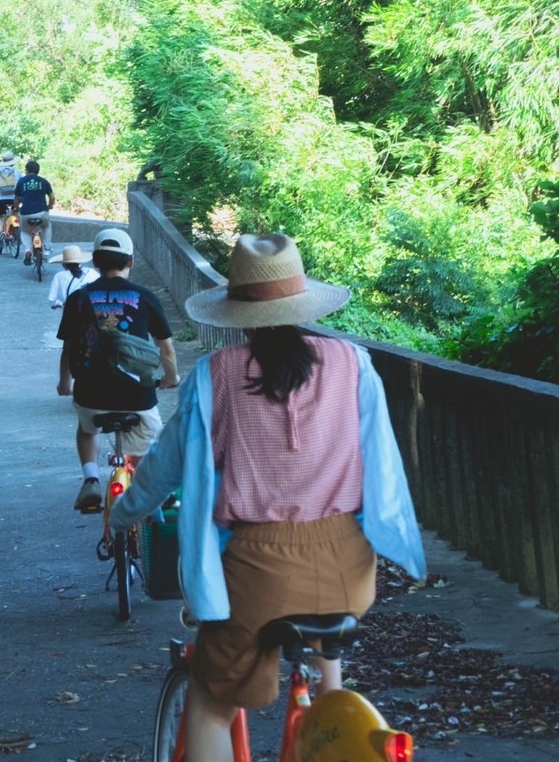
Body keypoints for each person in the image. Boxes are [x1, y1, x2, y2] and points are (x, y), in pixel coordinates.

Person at [111, 233, 425, 762]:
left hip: (260, 570)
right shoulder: (353, 363)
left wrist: (123, 514)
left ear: (237, 310)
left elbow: (165, 465)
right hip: (350, 565)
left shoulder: (217, 376)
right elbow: (381, 456)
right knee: (327, 660)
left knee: (213, 699)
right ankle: (333, 718)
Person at [56, 228, 180, 512]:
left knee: (87, 428)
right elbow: (167, 349)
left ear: (95, 262)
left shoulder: (79, 297)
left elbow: (68, 349)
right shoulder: (145, 297)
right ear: (131, 262)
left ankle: (90, 480)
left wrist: (65, 384)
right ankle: (146, 489)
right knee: (146, 443)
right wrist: (170, 378)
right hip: (137, 395)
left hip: (90, 393)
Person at [13, 159, 55, 266]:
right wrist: (49, 206)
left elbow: (16, 199)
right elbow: (52, 197)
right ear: (38, 171)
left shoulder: (21, 181)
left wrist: (17, 208)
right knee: (46, 226)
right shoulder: (44, 181)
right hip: (42, 212)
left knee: (25, 232)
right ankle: (46, 247)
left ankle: (28, 250)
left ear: (26, 170)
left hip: (26, 213)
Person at [48, 244, 99, 309]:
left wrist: (61, 304)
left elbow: (52, 300)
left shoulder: (59, 276)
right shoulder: (92, 272)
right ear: (80, 262)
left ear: (64, 264)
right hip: (91, 312)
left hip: (70, 314)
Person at [0, 152, 20, 247]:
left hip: (0, 199)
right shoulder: (17, 171)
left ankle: (2, 232)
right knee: (15, 212)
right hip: (14, 198)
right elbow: (20, 184)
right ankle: (12, 232)